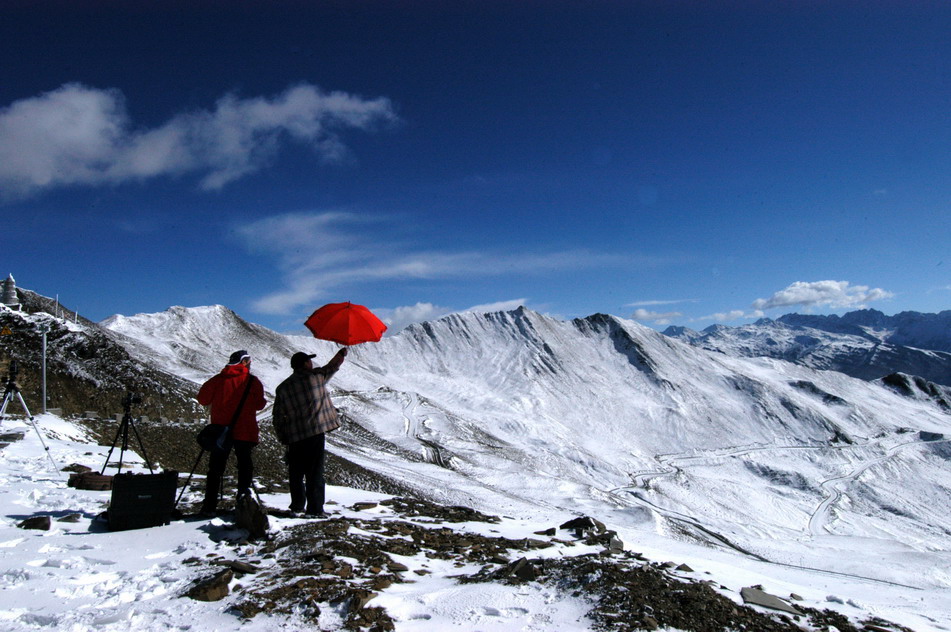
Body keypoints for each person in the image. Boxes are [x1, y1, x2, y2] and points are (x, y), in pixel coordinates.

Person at [272, 347, 348, 517]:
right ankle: (315, 509)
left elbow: (277, 416)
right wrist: (342, 354)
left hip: (295, 437)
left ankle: (297, 506)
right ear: (306, 364)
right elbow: (332, 366)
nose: (312, 363)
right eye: (309, 360)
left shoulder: (283, 388)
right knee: (315, 472)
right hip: (315, 433)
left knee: (296, 472)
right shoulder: (316, 377)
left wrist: (283, 436)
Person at [196, 349, 266, 516]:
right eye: (248, 361)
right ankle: (243, 501)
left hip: (220, 432)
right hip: (245, 431)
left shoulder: (217, 380)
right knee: (244, 466)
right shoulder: (251, 381)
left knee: (215, 468)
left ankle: (209, 505)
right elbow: (259, 404)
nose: (250, 364)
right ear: (243, 362)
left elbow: (203, 399)